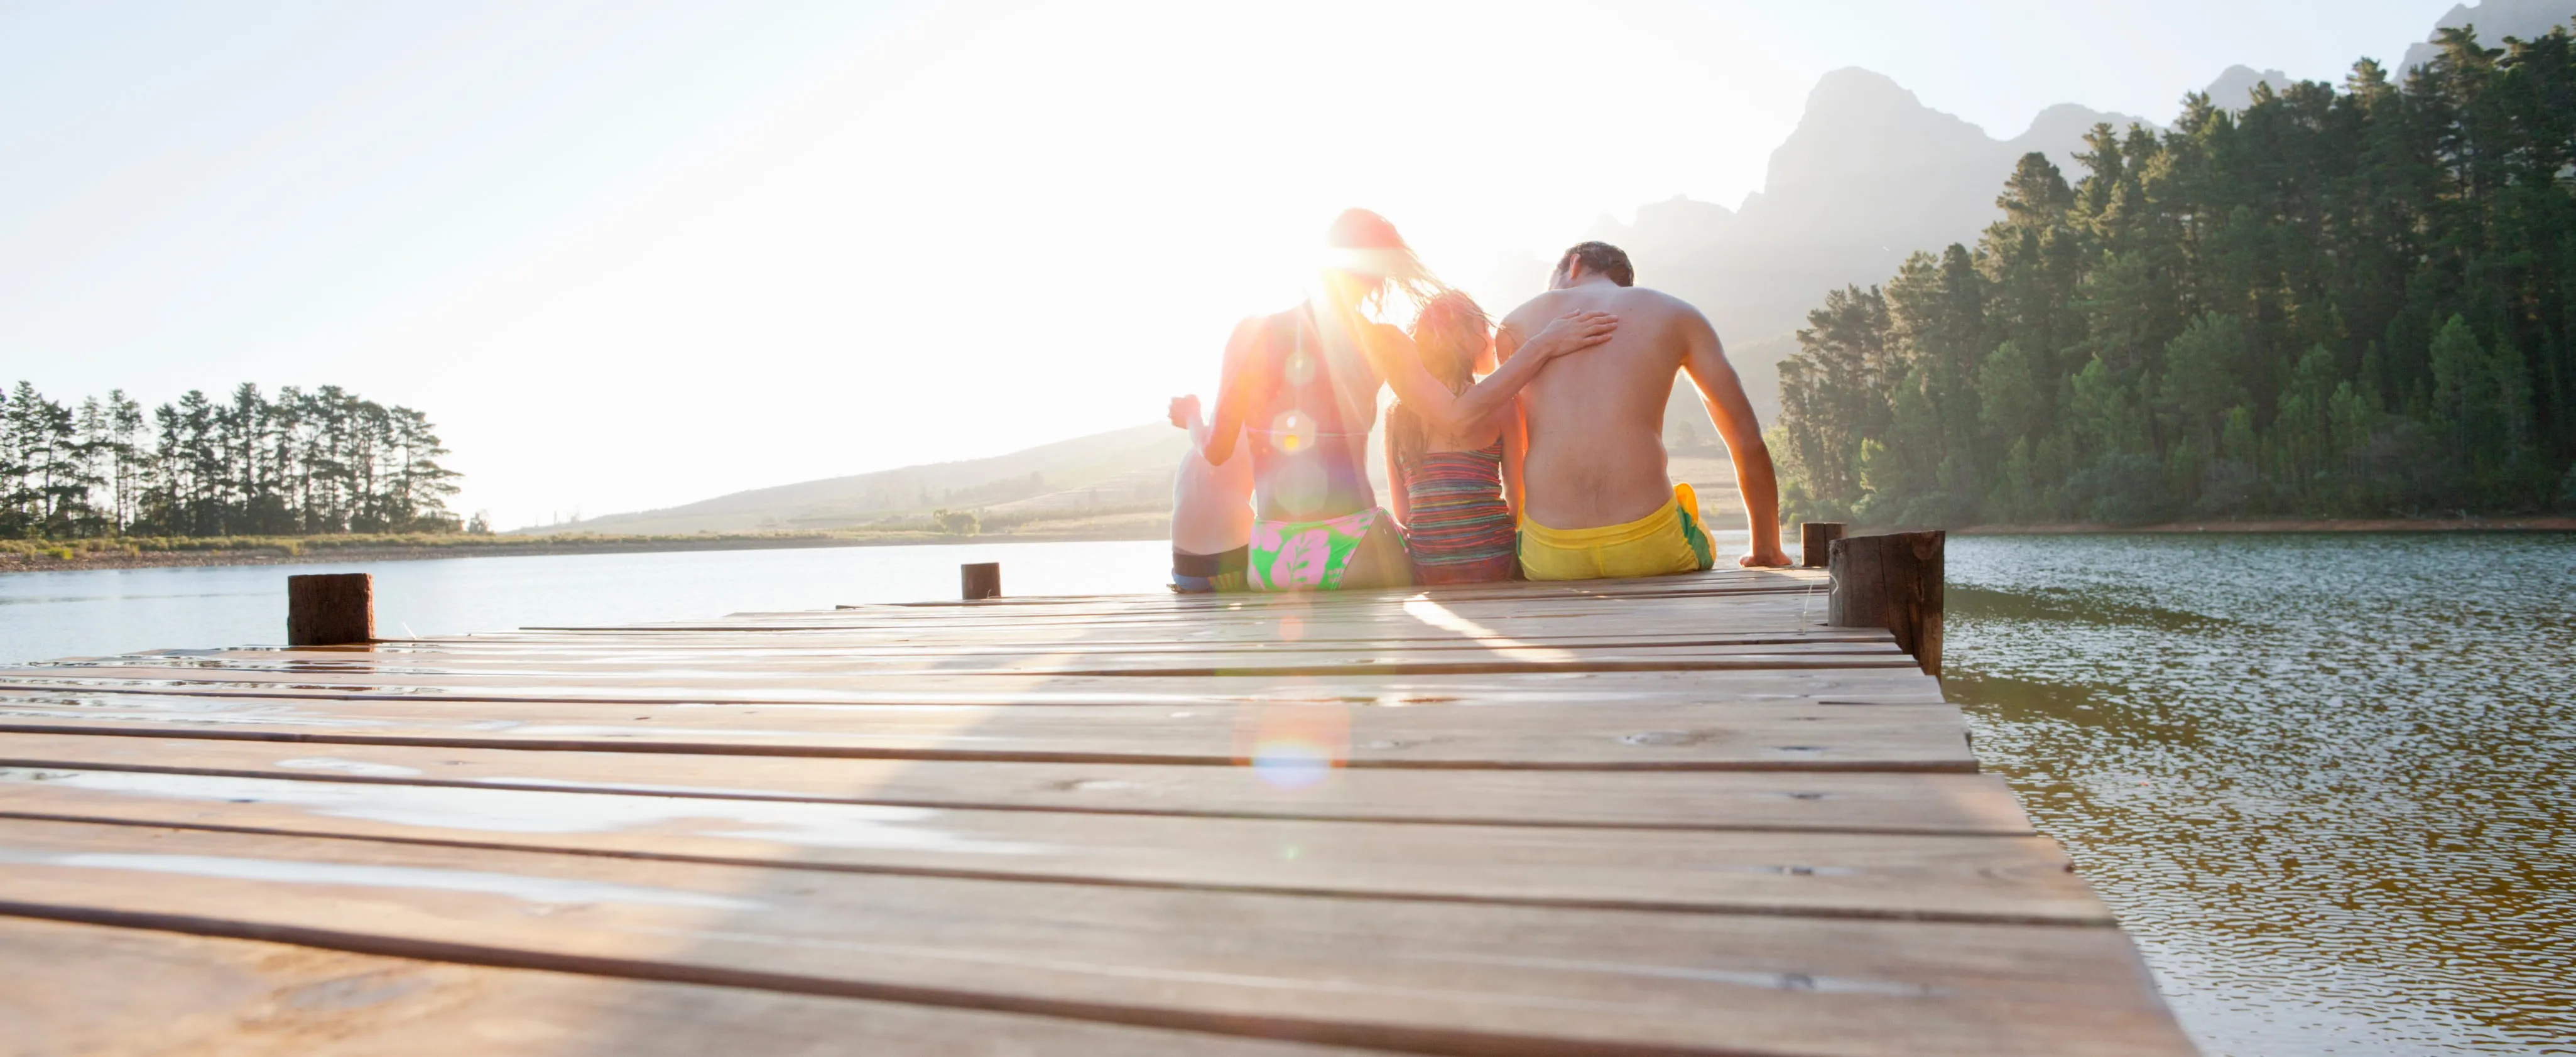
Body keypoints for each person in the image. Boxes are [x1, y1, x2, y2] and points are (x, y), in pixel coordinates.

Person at [1203, 209, 1615, 592]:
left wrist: (1191, 420)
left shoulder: (1251, 331)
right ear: (1382, 275)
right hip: (1352, 547)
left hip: (1270, 554)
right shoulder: (1382, 341)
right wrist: (1543, 345)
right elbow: (1458, 415)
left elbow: (1217, 449)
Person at [1496, 241, 1791, 578]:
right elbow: (1747, 439)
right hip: (1652, 547)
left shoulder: (1514, 323)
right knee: (1697, 528)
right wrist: (1766, 548)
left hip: (1549, 556)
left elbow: (1511, 446)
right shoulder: (1679, 314)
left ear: (1574, 266)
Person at [1384, 291, 1521, 584]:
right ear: (1466, 340)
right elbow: (1517, 499)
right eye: (1484, 328)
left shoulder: (1398, 412)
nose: (1491, 335)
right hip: (1495, 560)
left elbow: (1403, 511)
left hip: (1429, 566)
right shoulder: (1502, 404)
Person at [1165, 394, 1253, 592]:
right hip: (1234, 571)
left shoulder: (1200, 447)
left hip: (1187, 574)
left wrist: (1191, 416)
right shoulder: (1255, 440)